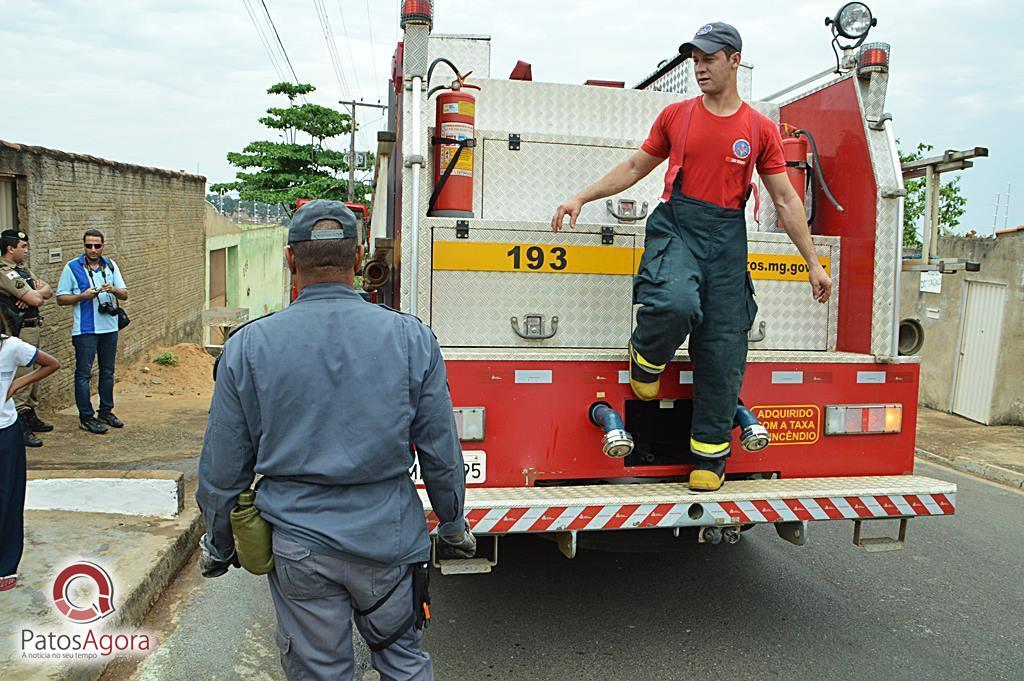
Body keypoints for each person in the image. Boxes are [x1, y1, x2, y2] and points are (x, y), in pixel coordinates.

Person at [196, 200, 474, 681]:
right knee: (403, 661)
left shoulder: (249, 346)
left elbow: (223, 468)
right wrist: (452, 521)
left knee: (320, 671)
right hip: (389, 539)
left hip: (300, 546)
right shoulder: (411, 339)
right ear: (360, 255)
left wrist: (220, 544)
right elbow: (440, 451)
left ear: (289, 259)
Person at [552, 21, 833, 491]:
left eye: (708, 59)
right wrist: (583, 196)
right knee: (673, 303)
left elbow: (785, 200)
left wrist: (812, 262)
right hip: (677, 226)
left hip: (727, 238)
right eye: (695, 60)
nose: (699, 68)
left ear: (734, 60)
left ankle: (709, 457)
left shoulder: (759, 130)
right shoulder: (676, 117)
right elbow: (637, 165)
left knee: (724, 348)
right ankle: (645, 358)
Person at [0, 333, 60, 591]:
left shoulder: (10, 346)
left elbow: (51, 363)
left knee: (7, 496)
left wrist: (17, 384)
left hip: (4, 430)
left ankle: (5, 566)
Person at [55, 229, 128, 434]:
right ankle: (86, 416)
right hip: (85, 330)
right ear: (84, 246)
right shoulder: (72, 267)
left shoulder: (111, 266)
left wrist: (112, 289)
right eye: (89, 245)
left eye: (97, 245)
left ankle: (106, 411)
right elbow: (60, 298)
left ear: (103, 246)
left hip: (109, 327)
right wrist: (82, 296)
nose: (93, 249)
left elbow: (125, 294)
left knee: (108, 372)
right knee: (84, 374)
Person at [0, 229, 55, 447]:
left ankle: (30, 413)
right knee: (22, 377)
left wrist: (34, 294)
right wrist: (34, 295)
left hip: (32, 326)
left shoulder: (22, 270)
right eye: (23, 247)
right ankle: (20, 424)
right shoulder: (6, 272)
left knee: (33, 376)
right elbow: (36, 297)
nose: (26, 251)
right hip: (19, 329)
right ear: (10, 248)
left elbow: (46, 292)